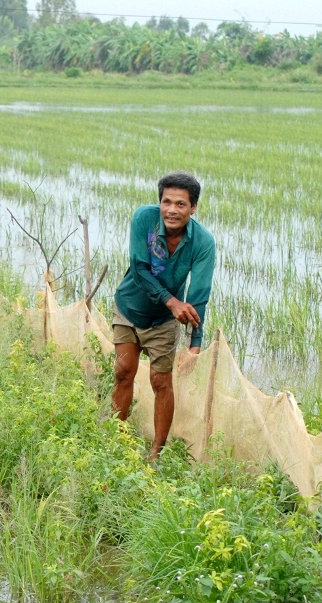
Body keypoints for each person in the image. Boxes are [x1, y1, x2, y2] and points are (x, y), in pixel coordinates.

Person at [111, 171, 216, 460]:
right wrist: (172, 301)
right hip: (129, 307)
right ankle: (113, 439)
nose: (172, 210)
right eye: (166, 202)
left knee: (161, 382)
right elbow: (140, 269)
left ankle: (156, 452)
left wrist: (195, 341)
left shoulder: (203, 242)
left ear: (193, 208)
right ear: (159, 203)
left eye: (181, 204)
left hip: (163, 321)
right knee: (123, 373)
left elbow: (199, 294)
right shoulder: (144, 219)